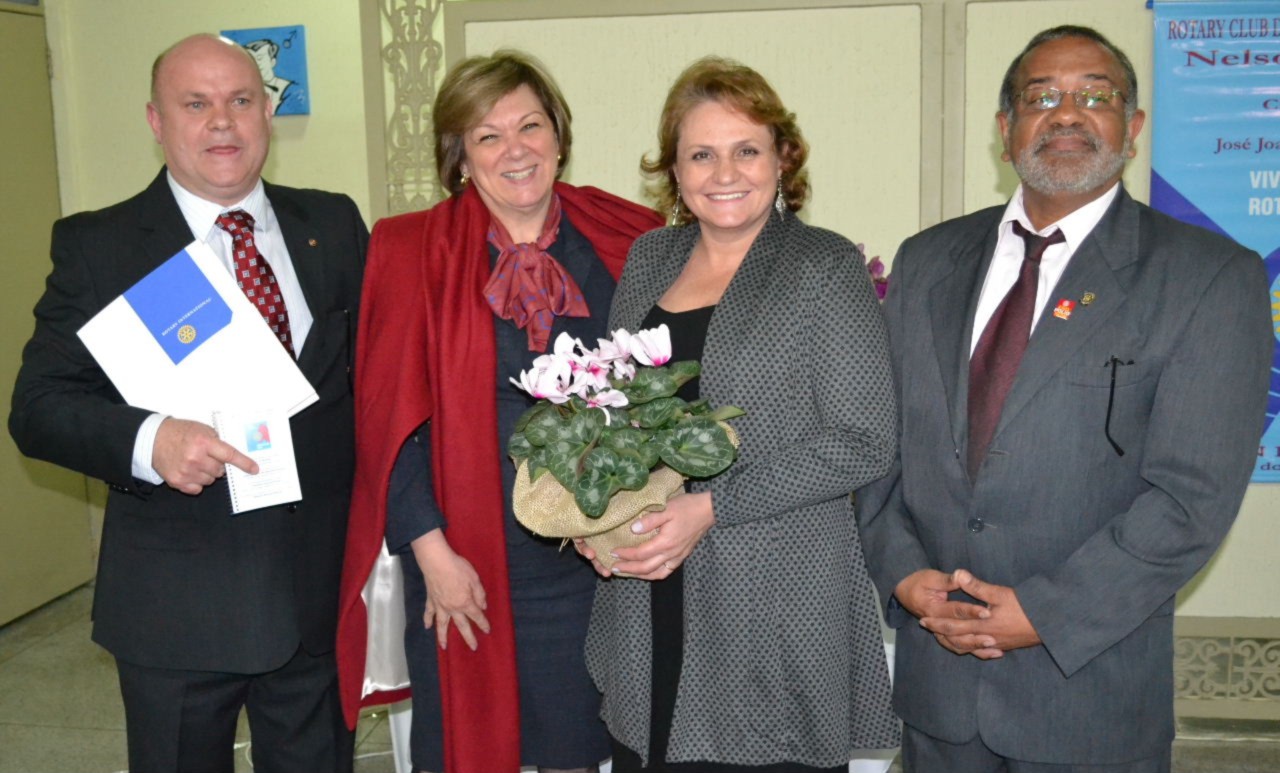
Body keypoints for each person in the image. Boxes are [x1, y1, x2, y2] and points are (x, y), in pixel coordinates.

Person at [856, 25, 1272, 773]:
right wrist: (906, 576)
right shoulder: (927, 261)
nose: (1068, 113)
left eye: (1095, 96)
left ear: (1133, 128)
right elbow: (880, 450)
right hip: (938, 697)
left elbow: (1191, 498)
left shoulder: (1209, 277)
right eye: (1041, 97)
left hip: (1088, 699)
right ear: (1006, 128)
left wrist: (1044, 612)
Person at [8, 34, 367, 773]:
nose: (222, 122)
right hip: (176, 608)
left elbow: (376, 381)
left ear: (267, 111)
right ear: (155, 120)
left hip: (319, 597)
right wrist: (152, 440)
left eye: (241, 100)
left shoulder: (332, 225)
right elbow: (37, 406)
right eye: (195, 104)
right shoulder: (101, 246)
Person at [334, 51, 662, 773]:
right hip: (463, 553)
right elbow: (388, 422)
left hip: (590, 562)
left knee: (577, 746)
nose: (516, 150)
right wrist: (432, 554)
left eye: (530, 126)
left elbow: (659, 396)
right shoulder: (408, 249)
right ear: (459, 156)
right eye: (488, 135)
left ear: (558, 136)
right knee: (469, 745)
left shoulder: (627, 237)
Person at [580, 56, 900, 773]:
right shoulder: (649, 259)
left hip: (771, 587)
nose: (724, 172)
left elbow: (863, 440)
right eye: (701, 154)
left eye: (746, 150)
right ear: (674, 169)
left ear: (783, 158)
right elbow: (611, 410)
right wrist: (594, 516)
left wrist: (710, 508)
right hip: (649, 586)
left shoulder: (823, 266)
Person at [243, 39, 301, 114]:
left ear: (272, 62)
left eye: (260, 58)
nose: (256, 63)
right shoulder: (243, 90)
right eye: (252, 59)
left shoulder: (290, 89)